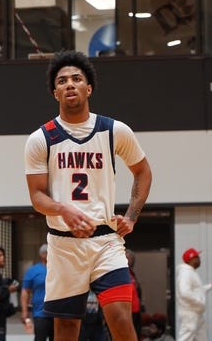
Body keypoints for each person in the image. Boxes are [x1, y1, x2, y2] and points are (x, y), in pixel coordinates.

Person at [24, 50, 152, 341]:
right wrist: (63, 210)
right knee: (67, 330)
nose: (70, 84)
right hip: (63, 245)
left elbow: (143, 172)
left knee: (121, 319)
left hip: (106, 241)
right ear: (55, 93)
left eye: (76, 79)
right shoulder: (40, 138)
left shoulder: (114, 130)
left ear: (89, 88)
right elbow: (37, 197)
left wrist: (131, 216)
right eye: (62, 81)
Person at [176, 248, 212, 341]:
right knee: (185, 338)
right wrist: (198, 301)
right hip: (190, 312)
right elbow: (184, 292)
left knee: (202, 337)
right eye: (197, 257)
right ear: (191, 259)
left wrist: (211, 286)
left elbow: (198, 291)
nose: (199, 259)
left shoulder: (191, 272)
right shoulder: (185, 272)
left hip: (196, 313)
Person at [21, 243, 54, 341]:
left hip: (57, 313)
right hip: (40, 313)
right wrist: (25, 312)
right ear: (43, 255)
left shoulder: (58, 269)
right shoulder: (33, 271)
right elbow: (25, 292)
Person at [127, 249, 144, 339]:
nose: (130, 261)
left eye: (132, 259)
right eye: (128, 258)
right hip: (127, 311)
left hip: (136, 310)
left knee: (136, 335)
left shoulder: (132, 274)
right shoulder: (120, 274)